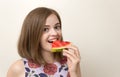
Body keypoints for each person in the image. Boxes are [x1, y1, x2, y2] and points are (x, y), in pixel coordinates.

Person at [7, 7, 81, 77]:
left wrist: (74, 72)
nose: (55, 33)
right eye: (45, 29)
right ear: (33, 34)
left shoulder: (70, 62)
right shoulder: (18, 68)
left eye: (57, 27)